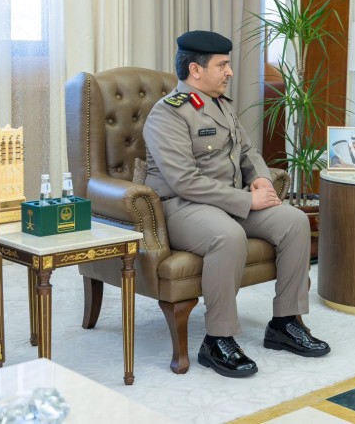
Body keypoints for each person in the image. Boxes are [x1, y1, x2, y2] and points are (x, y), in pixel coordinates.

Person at [142, 30, 331, 379]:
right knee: (228, 236)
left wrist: (260, 178)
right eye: (222, 65)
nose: (229, 72)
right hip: (182, 207)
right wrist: (247, 199)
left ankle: (285, 323)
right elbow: (184, 181)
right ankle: (217, 340)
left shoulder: (221, 104)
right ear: (195, 70)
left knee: (294, 221)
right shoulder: (168, 114)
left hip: (230, 202)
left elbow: (247, 151)